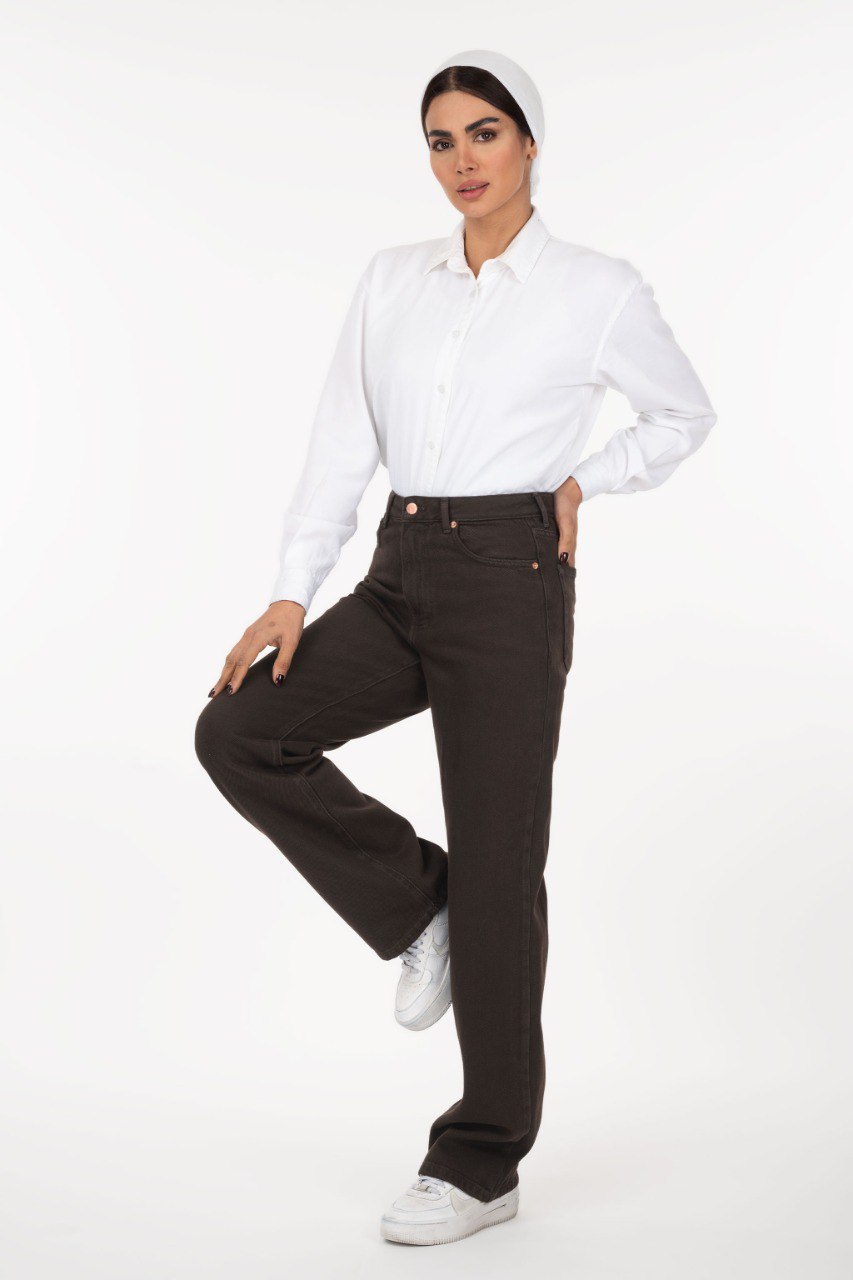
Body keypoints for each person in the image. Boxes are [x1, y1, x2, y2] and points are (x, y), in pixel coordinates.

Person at [194, 47, 717, 1247]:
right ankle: (419, 907)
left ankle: (481, 1160)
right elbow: (340, 441)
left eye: (484, 132)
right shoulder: (393, 279)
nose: (462, 160)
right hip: (398, 566)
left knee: (501, 863)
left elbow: (684, 412)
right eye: (441, 140)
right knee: (241, 731)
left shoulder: (594, 287)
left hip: (508, 576)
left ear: (529, 140)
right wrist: (291, 593)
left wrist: (586, 478)